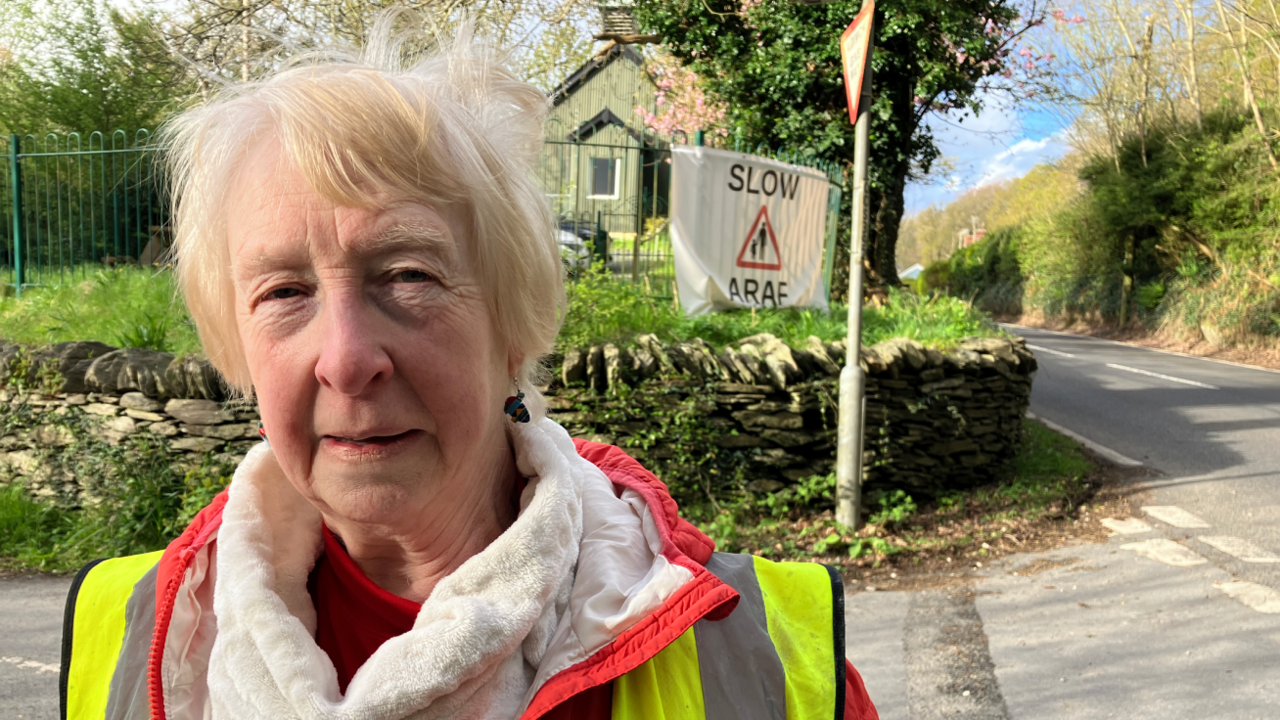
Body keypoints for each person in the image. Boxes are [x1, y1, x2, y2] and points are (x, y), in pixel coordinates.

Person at [59, 16, 879, 720]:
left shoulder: (753, 652)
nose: (345, 360)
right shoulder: (136, 633)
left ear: (514, 323)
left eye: (408, 275)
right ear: (233, 343)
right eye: (283, 291)